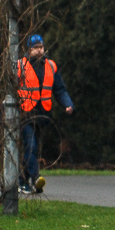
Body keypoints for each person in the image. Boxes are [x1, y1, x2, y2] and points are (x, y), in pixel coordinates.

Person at [16, 33, 73, 194]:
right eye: (35, 48)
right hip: (25, 114)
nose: (39, 50)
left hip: (42, 116)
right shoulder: (20, 66)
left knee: (32, 149)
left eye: (41, 47)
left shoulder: (51, 66)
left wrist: (68, 104)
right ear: (29, 50)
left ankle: (22, 182)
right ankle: (36, 179)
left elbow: (59, 89)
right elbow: (11, 88)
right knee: (31, 146)